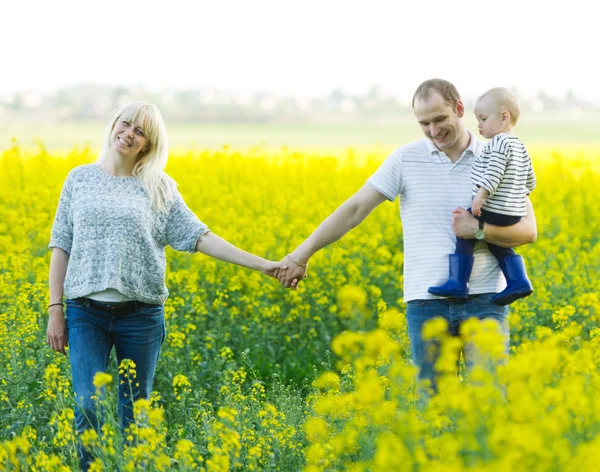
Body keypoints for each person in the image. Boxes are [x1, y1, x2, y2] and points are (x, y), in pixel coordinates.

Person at [46, 101, 284, 471]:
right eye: (125, 124)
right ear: (113, 126)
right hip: (84, 313)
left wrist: (263, 265)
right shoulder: (79, 178)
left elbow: (200, 236)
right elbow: (61, 243)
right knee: (88, 407)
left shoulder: (158, 187)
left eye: (140, 131)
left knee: (134, 414)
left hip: (140, 316)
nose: (129, 133)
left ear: (148, 144)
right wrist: (55, 310)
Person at [276, 79, 537, 390]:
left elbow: (527, 231)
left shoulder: (496, 152)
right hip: (426, 303)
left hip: (484, 301)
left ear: (459, 109)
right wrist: (301, 255)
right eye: (424, 123)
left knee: (490, 404)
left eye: (440, 119)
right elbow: (356, 208)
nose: (433, 130)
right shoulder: (405, 159)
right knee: (435, 410)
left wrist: (477, 231)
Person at [428, 87, 536, 305]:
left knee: (465, 229)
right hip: (512, 212)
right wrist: (517, 194)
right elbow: (530, 179)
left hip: (494, 208)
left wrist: (481, 195)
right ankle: (519, 281)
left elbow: (494, 171)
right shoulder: (520, 145)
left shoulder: (499, 142)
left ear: (504, 118)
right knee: (498, 243)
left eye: (484, 119)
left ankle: (458, 282)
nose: (479, 125)